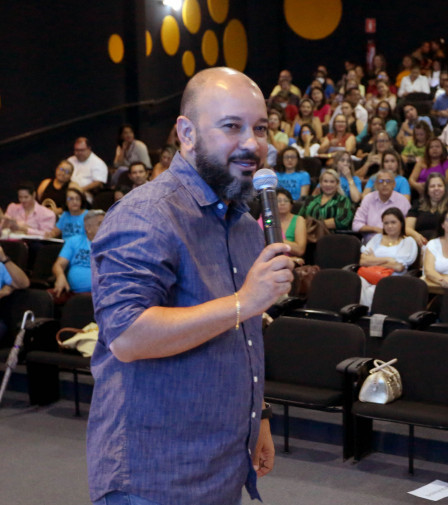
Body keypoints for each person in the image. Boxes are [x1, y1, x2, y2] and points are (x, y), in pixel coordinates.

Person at [88, 68, 295, 504]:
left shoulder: (242, 224)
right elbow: (126, 336)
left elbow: (242, 335)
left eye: (260, 128)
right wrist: (244, 301)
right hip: (153, 477)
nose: (252, 143)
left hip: (221, 466)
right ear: (186, 132)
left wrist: (259, 418)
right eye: (231, 126)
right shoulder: (145, 215)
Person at [358, 208, 419, 306]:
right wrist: (387, 259)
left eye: (393, 222)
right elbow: (362, 261)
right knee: (355, 284)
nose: (389, 226)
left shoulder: (408, 241)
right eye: (386, 223)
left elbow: (399, 267)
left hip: (393, 279)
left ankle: (369, 316)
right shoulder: (377, 238)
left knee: (371, 291)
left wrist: (373, 260)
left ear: (401, 223)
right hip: (370, 275)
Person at [51, 209, 105, 296]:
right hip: (73, 294)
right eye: (100, 224)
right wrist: (60, 277)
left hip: (101, 295)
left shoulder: (111, 244)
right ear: (88, 228)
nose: (105, 226)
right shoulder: (74, 241)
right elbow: (58, 265)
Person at [352, 167, 411, 241]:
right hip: (371, 243)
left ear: (394, 184)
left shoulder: (403, 201)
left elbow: (407, 227)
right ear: (376, 185)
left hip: (396, 242)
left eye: (388, 181)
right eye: (381, 181)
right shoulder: (368, 199)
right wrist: (375, 229)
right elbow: (356, 225)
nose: (384, 184)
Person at [405, 173, 448, 246]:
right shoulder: (417, 204)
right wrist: (417, 236)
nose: (436, 188)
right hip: (421, 244)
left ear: (445, 188)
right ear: (427, 190)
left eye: (439, 185)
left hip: (445, 243)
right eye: (432, 186)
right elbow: (408, 228)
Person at [67, 137, 108, 202]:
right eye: (77, 150)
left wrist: (79, 190)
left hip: (85, 194)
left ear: (89, 149)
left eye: (82, 150)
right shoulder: (70, 160)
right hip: (67, 192)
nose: (79, 153)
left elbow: (98, 182)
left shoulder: (98, 163)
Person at [272, 188, 307, 259]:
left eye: (286, 201)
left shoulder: (299, 220)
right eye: (278, 201)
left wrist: (274, 240)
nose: (282, 203)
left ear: (291, 205)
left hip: (290, 262)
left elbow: (300, 250)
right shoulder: (266, 220)